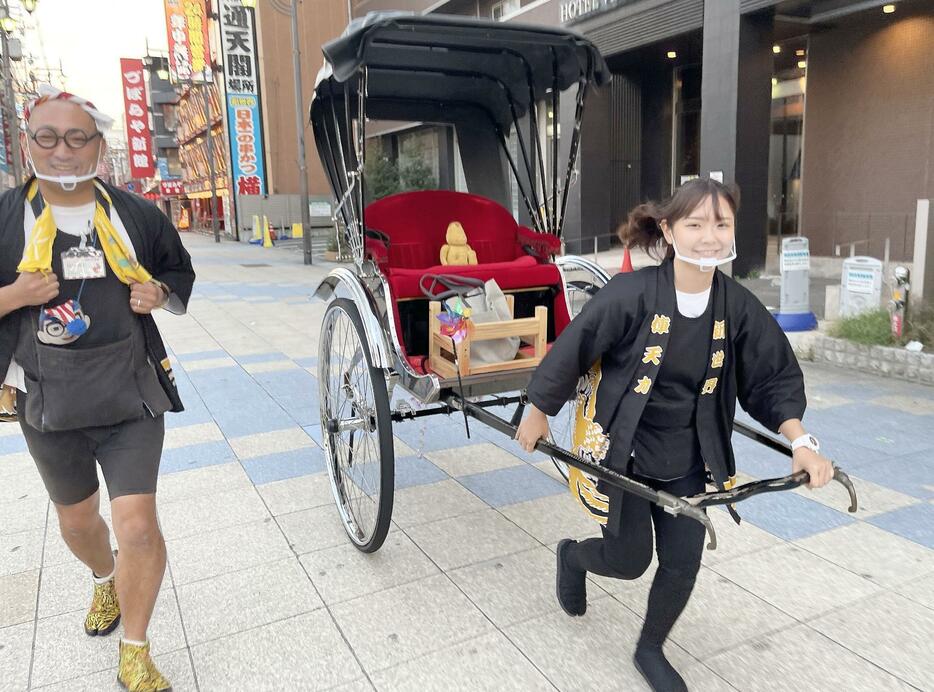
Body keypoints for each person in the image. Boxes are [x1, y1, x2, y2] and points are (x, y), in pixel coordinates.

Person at [516, 178, 833, 692]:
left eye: (721, 223)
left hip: (691, 456)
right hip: (628, 450)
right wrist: (537, 409)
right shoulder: (632, 293)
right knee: (628, 559)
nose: (710, 236)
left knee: (683, 563)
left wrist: (801, 441)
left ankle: (650, 648)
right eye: (696, 223)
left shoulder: (736, 305)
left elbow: (771, 376)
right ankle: (573, 556)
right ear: (668, 229)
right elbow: (576, 345)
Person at [0, 85, 195, 692]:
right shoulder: (7, 217)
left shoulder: (136, 214)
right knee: (80, 525)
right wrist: (15, 295)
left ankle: (134, 650)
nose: (62, 151)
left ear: (99, 145)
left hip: (129, 392)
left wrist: (159, 293)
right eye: (47, 138)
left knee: (137, 524)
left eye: (76, 137)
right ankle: (102, 578)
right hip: (45, 399)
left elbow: (177, 268)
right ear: (28, 143)